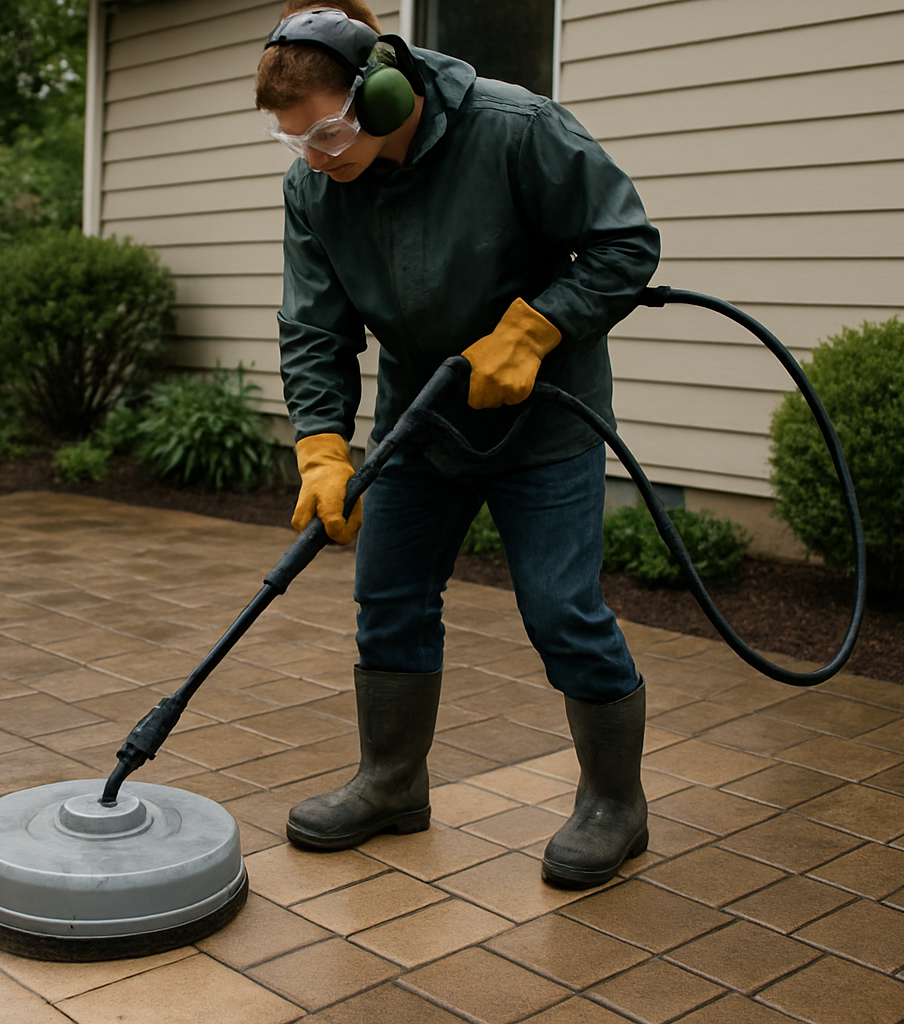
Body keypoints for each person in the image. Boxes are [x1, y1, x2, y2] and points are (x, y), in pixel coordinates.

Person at [256, 1, 660, 889]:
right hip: (424, 416)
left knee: (562, 609)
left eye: (326, 129)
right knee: (389, 596)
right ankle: (392, 783)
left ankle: (614, 805)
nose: (317, 155)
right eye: (296, 143)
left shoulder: (515, 130)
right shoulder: (317, 185)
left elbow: (625, 244)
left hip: (546, 417)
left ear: (384, 91)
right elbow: (314, 327)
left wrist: (537, 328)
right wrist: (322, 443)